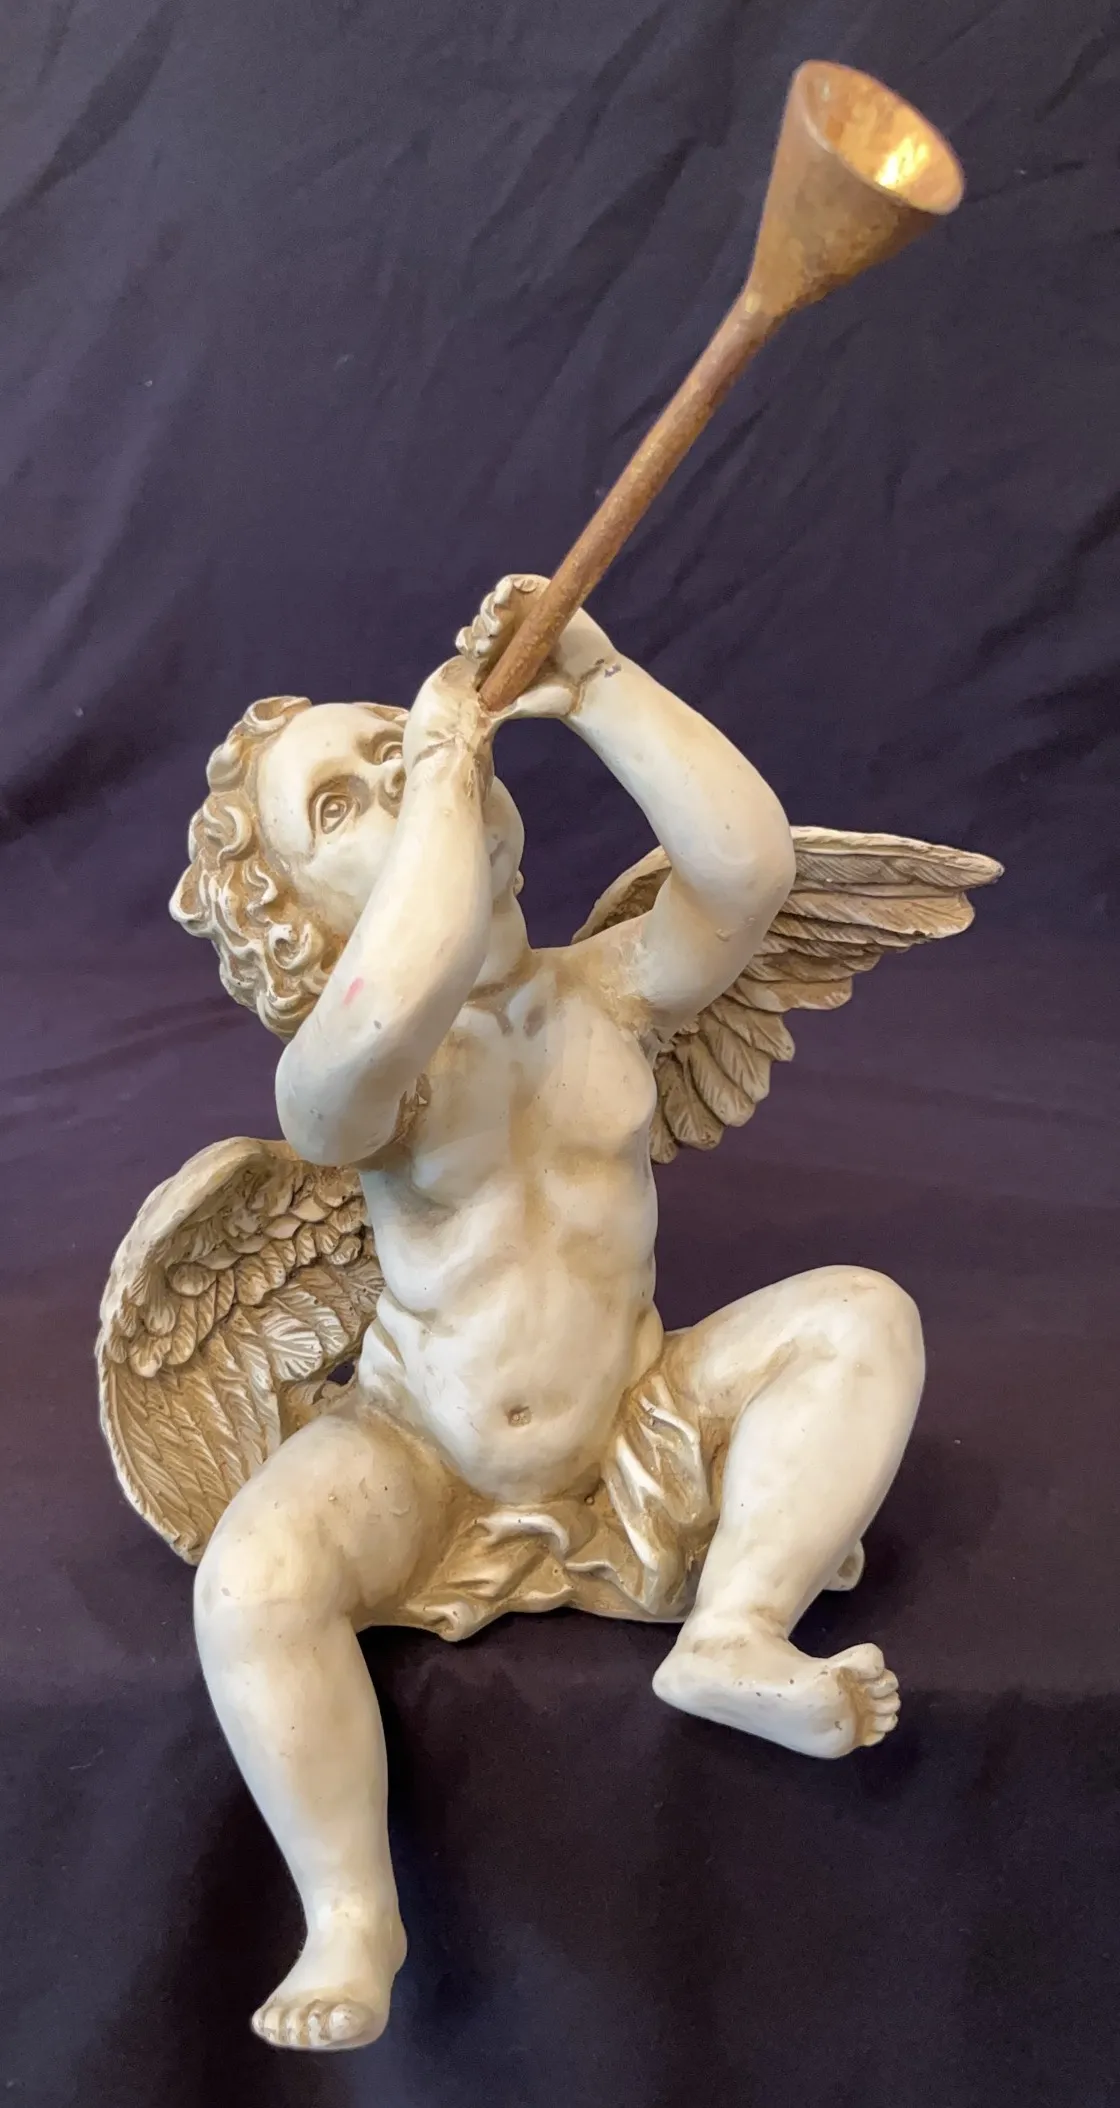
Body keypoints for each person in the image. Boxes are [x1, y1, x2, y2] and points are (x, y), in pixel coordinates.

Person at [175, 577, 923, 2050]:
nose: (403, 774)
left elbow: (748, 870)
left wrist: (598, 681)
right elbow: (397, 990)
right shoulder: (351, 1073)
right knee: (252, 1585)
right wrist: (446, 773)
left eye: (394, 745)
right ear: (299, 926)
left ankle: (736, 1629)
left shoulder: (609, 991)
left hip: (633, 1421)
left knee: (863, 1318)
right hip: (421, 1459)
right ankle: (352, 1913)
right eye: (342, 804)